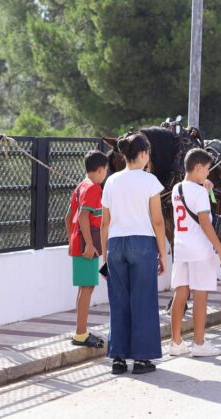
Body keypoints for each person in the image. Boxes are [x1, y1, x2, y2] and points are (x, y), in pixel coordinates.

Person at [101, 132, 167, 375]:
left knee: (118, 302)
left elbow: (104, 223)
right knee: (143, 301)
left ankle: (117, 358)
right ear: (142, 154)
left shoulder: (111, 180)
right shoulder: (149, 181)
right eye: (148, 152)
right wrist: (163, 254)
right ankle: (141, 359)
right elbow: (158, 222)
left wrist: (105, 258)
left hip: (115, 244)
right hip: (142, 243)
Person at [168, 148, 221, 357]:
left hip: (181, 248)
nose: (208, 173)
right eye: (206, 169)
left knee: (181, 293)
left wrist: (205, 188)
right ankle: (199, 343)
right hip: (200, 250)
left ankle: (176, 343)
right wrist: (220, 250)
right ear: (198, 167)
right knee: (200, 295)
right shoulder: (200, 192)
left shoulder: (177, 188)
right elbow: (205, 222)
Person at [66, 150, 109, 349]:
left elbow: (68, 217)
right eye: (106, 170)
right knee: (87, 288)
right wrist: (90, 244)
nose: (106, 174)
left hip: (78, 242)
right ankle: (81, 333)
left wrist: (72, 240)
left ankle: (80, 330)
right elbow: (83, 216)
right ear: (100, 170)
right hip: (87, 244)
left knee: (84, 287)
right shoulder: (94, 188)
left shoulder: (80, 187)